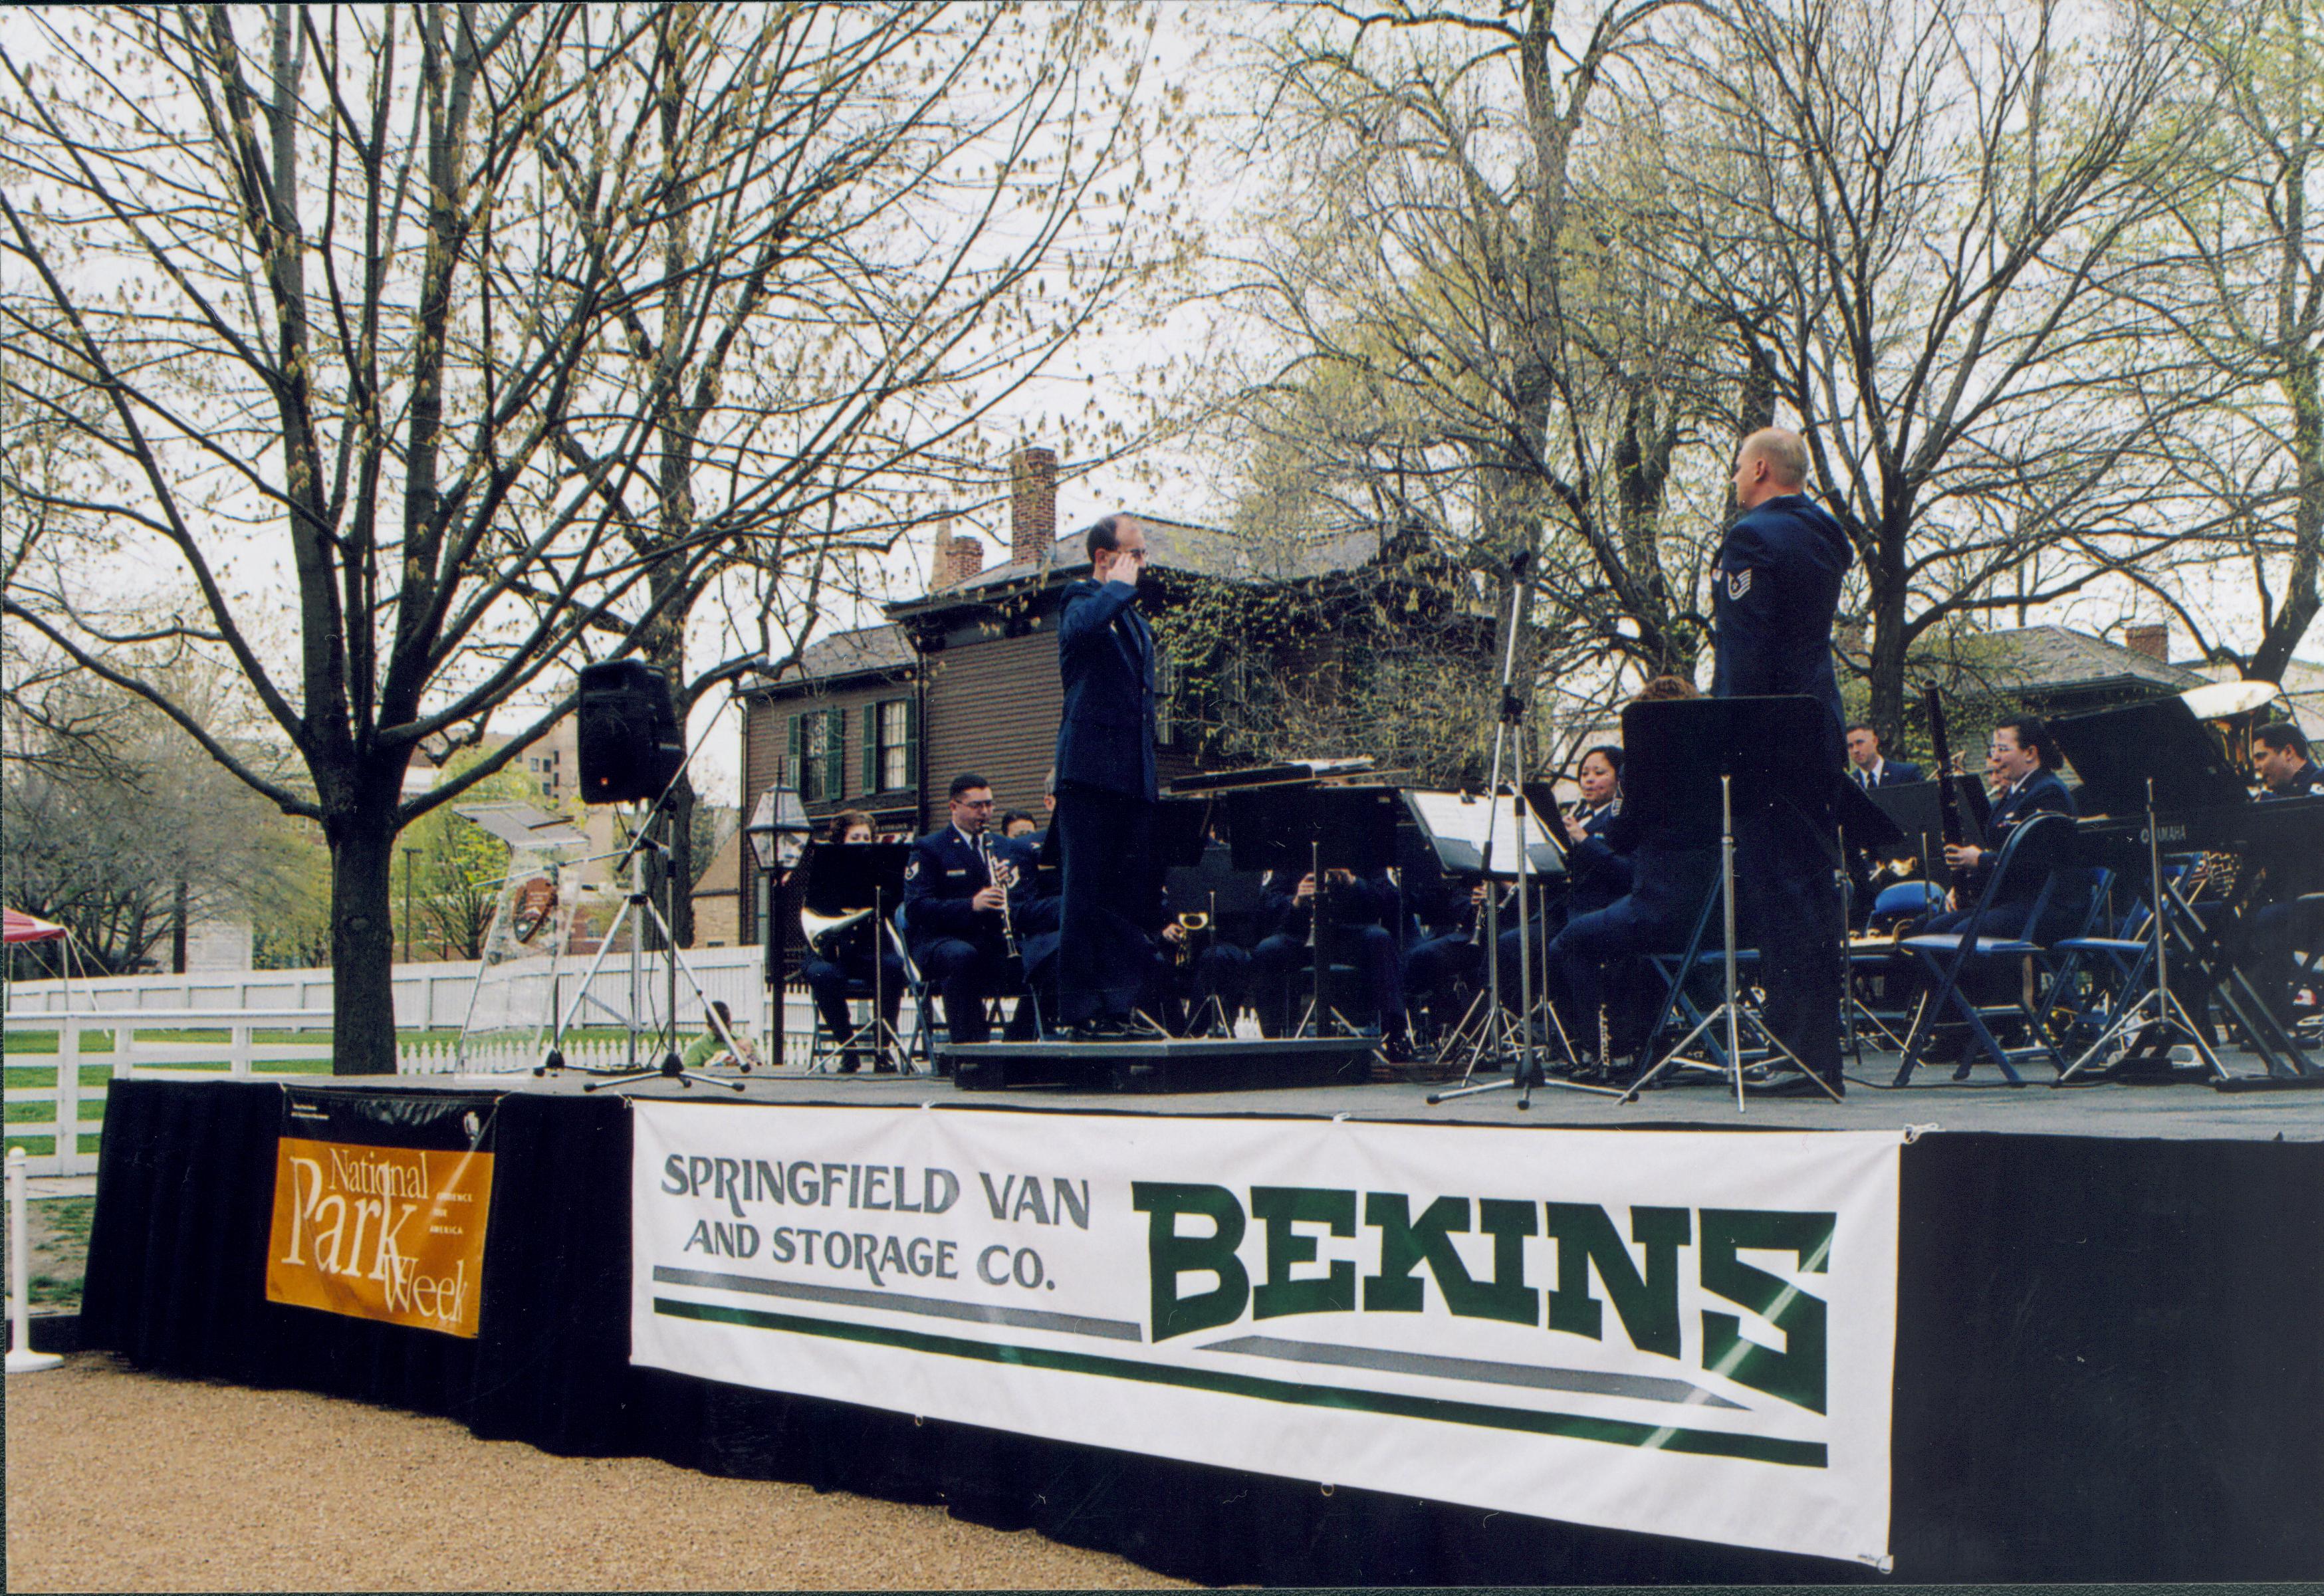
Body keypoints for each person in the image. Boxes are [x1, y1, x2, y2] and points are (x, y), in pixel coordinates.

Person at [1712, 427, 1852, 1097]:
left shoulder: (1750, 539)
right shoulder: (1827, 536)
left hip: (1768, 740)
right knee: (1814, 892)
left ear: (1761, 468)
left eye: (1739, 467)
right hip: (1818, 724)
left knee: (1777, 897)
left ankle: (1796, 1052)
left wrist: (1724, 741)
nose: (1736, 478)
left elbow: (1743, 654)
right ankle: (1816, 1048)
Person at [1916, 715, 2081, 1070]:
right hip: (2014, 901)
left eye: (2003, 749)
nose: (1996, 758)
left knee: (1965, 934)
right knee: (1933, 929)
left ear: (2031, 752)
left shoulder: (2048, 792)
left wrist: (1981, 860)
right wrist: (1964, 888)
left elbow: (2037, 861)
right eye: (1995, 750)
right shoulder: (2017, 792)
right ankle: (1952, 1031)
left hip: (2045, 907)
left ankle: (1993, 1026)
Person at [1052, 514, 1161, 1038]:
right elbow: (1082, 629)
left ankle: (1119, 1006)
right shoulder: (1080, 601)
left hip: (1131, 778)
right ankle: (1079, 1011)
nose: (1143, 564)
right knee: (1085, 891)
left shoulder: (1135, 623)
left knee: (1125, 896)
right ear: (1105, 557)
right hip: (1089, 775)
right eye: (1135, 554)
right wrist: (1117, 587)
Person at [902, 774, 1019, 1047]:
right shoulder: (930, 848)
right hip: (940, 941)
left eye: (989, 805)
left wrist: (1008, 886)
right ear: (954, 807)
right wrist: (971, 904)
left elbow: (1017, 900)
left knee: (1035, 959)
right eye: (976, 806)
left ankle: (1019, 1043)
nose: (985, 813)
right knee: (962, 956)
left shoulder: (1002, 846)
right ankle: (970, 1050)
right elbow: (917, 908)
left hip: (987, 939)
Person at [799, 809, 903, 1073]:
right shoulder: (825, 865)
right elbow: (814, 904)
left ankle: (883, 1049)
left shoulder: (880, 866)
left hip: (871, 943)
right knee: (823, 975)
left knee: (892, 968)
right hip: (830, 945)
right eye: (855, 837)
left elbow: (893, 904)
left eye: (866, 837)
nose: (862, 842)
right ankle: (848, 1047)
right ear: (841, 841)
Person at [2238, 723, 2324, 1041]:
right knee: (2209, 920)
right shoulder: (2281, 795)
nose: (2257, 767)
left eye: (2262, 756)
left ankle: (2268, 1025)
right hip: (2297, 905)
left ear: (2289, 752)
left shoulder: (2318, 783)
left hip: (2313, 905)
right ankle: (2209, 1021)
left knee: (2260, 922)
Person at [679, 1000, 762, 1071]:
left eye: (727, 1025)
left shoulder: (744, 1042)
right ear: (710, 1026)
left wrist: (748, 1055)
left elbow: (761, 1067)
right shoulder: (698, 1048)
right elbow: (689, 1074)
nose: (724, 1030)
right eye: (720, 1027)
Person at [1845, 723, 1924, 789]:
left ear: (1875, 741)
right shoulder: (1847, 786)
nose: (1855, 750)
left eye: (1860, 743)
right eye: (1850, 746)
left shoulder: (1907, 775)